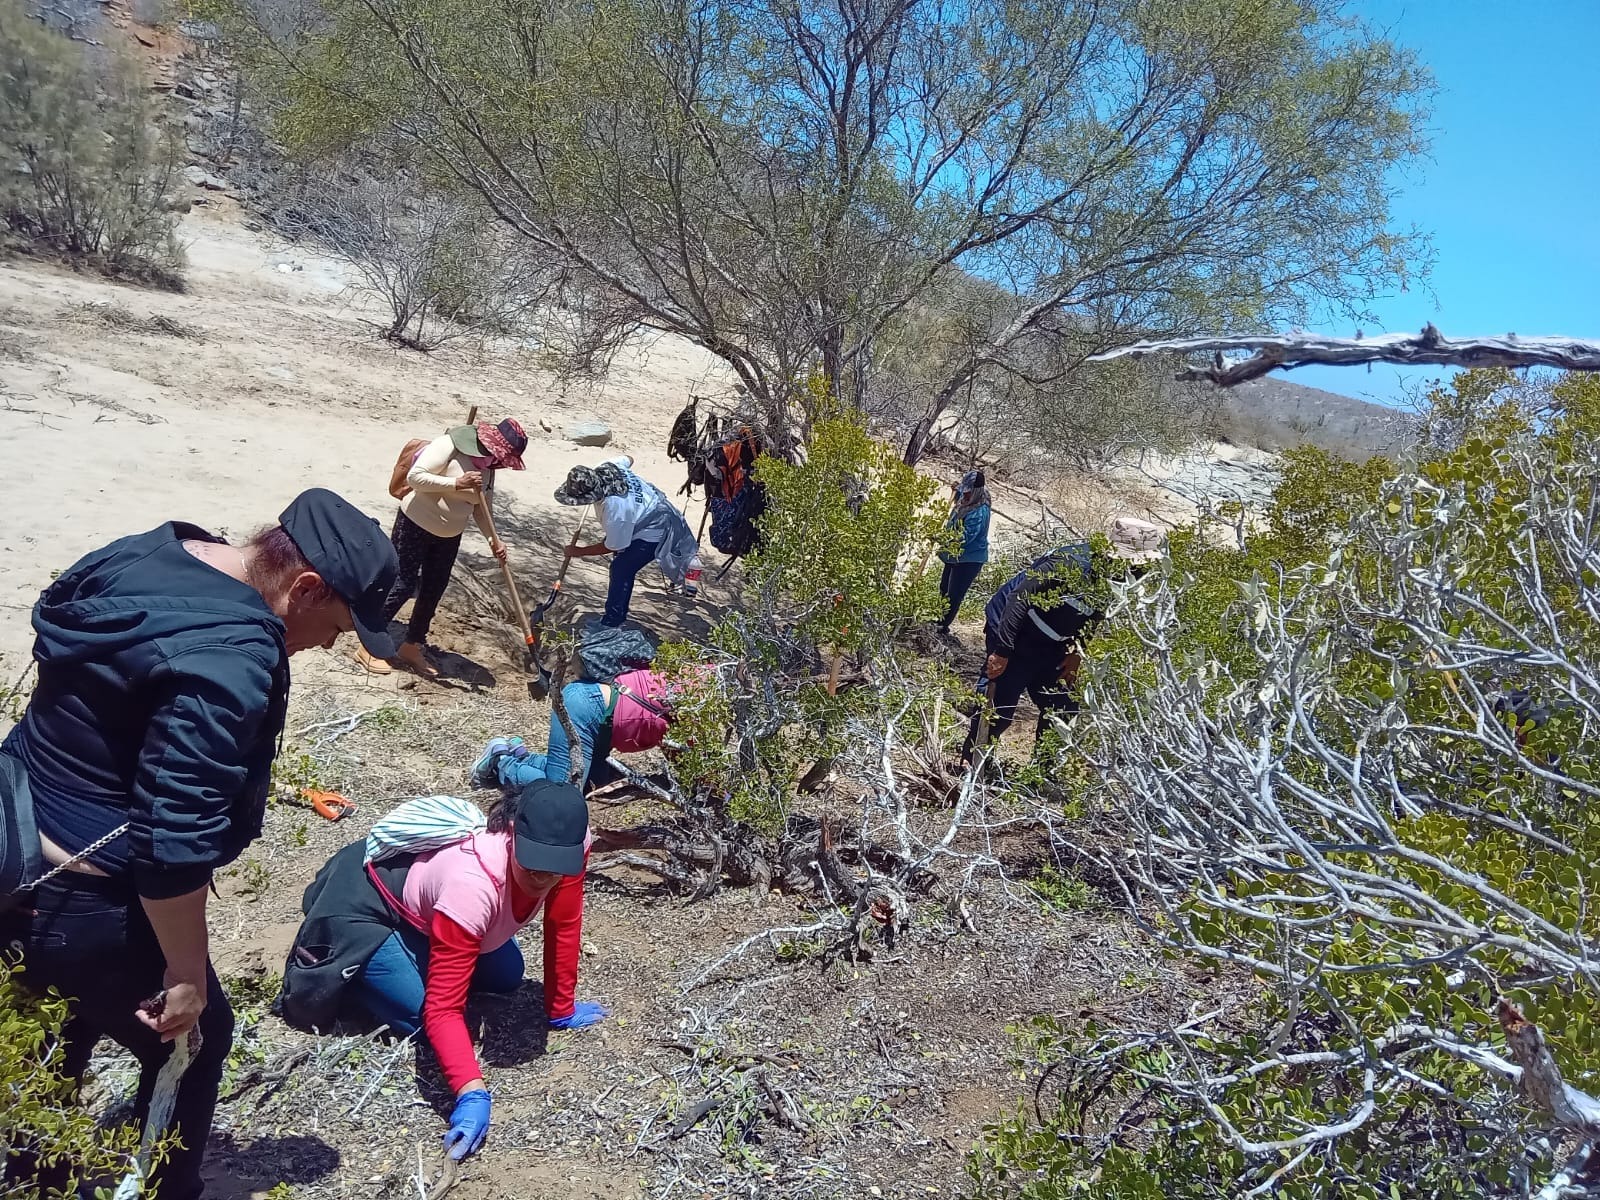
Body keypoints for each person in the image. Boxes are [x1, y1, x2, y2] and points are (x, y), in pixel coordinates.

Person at [1, 489, 399, 1200]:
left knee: (56, 1023)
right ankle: (164, 1189)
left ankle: (39, 1173)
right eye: (336, 626)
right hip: (86, 895)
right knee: (194, 1037)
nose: (329, 645)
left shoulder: (149, 552)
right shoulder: (233, 659)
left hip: (12, 843)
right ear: (303, 587)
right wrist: (184, 971)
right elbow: (169, 843)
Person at [284, 780, 604, 1162]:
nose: (544, 878)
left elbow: (563, 922)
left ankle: (415, 946)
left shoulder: (570, 845)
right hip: (368, 901)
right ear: (514, 833)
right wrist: (471, 1091)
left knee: (506, 976)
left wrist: (561, 1007)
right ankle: (360, 971)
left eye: (555, 869)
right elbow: (443, 1008)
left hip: (429, 903)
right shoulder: (473, 885)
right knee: (422, 1017)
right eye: (533, 864)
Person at [961, 516, 1163, 761]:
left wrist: (1077, 652)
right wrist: (1002, 651)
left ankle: (1042, 772)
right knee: (999, 708)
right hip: (1014, 632)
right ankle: (973, 764)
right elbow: (1019, 598)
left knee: (1063, 707)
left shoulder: (1118, 578)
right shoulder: (1069, 562)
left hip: (1053, 643)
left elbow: (1095, 614)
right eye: (1135, 564)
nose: (1138, 571)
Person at [361, 418, 528, 678]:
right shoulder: (449, 445)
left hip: (449, 535)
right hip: (415, 523)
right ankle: (369, 645)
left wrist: (493, 539)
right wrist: (456, 484)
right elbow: (416, 478)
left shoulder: (489, 468)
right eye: (502, 456)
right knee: (403, 583)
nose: (502, 463)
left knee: (433, 589)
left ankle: (412, 645)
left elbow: (482, 508)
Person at [470, 667, 679, 795]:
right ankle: (500, 765)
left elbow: (674, 744)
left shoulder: (699, 674)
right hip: (587, 710)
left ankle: (523, 758)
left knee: (592, 783)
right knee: (562, 792)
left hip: (600, 719)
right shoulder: (704, 699)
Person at [555, 459, 698, 627]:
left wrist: (579, 551)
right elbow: (628, 458)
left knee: (621, 568)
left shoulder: (615, 508)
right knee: (620, 554)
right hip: (645, 513)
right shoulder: (608, 466)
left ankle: (613, 620)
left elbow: (613, 545)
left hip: (655, 527)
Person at [937, 469, 991, 630]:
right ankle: (938, 618)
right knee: (944, 588)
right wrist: (956, 490)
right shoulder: (968, 497)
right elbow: (960, 493)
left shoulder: (979, 512)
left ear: (975, 492)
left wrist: (942, 539)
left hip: (969, 559)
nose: (964, 495)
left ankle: (942, 626)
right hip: (953, 555)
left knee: (953, 594)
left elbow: (966, 538)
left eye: (968, 492)